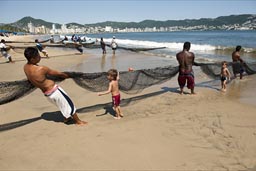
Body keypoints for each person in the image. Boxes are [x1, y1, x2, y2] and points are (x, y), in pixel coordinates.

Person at [23, 47, 87, 125]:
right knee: (69, 104)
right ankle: (78, 121)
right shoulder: (41, 69)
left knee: (61, 105)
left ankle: (66, 118)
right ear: (32, 59)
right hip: (55, 91)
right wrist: (71, 75)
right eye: (38, 56)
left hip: (47, 95)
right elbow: (59, 74)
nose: (40, 57)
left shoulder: (25, 68)